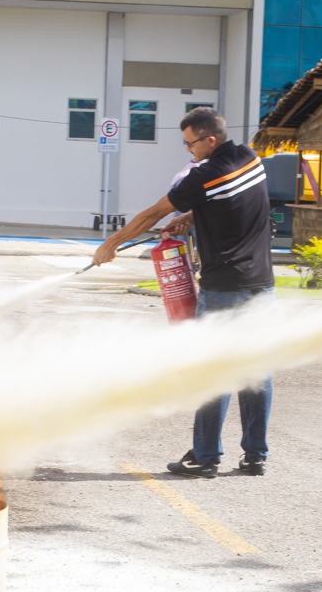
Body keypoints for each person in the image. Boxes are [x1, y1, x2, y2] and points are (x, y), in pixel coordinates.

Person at [92, 107, 275, 478]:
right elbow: (234, 203)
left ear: (210, 140)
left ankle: (205, 457)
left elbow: (151, 214)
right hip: (262, 282)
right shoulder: (250, 159)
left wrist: (111, 243)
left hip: (224, 285)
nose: (188, 151)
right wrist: (190, 216)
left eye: (191, 144)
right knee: (256, 370)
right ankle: (255, 455)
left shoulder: (202, 176)